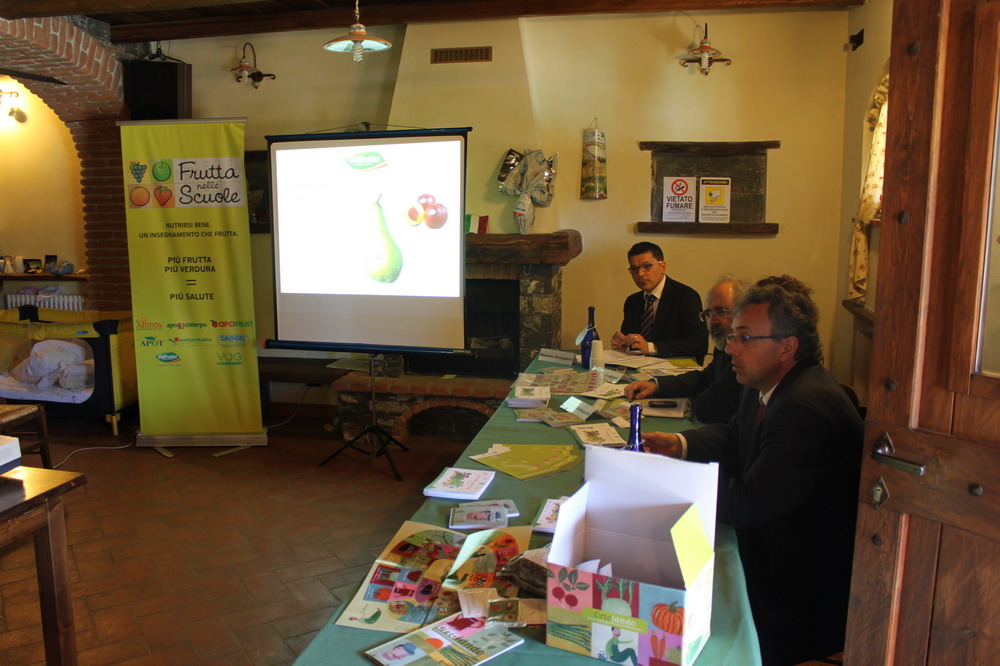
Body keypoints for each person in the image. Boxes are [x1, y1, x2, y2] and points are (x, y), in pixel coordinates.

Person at [642, 276, 863, 665]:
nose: (730, 347)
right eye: (733, 336)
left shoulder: (803, 408)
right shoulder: (766, 381)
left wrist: (670, 481)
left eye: (744, 337)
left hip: (798, 585)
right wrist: (678, 444)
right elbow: (734, 435)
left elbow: (745, 505)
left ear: (787, 347)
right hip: (773, 543)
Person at [624, 277, 745, 423]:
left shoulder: (744, 355)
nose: (713, 321)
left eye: (721, 311)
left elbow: (708, 408)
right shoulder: (724, 344)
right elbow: (704, 378)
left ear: (743, 312)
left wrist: (691, 403)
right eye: (708, 314)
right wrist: (655, 385)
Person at [611, 242, 706, 360]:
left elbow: (699, 344)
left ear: (662, 267)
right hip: (639, 366)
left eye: (647, 266)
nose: (640, 274)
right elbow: (631, 342)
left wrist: (650, 347)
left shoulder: (686, 297)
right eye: (634, 269)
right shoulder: (632, 301)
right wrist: (624, 344)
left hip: (674, 368)